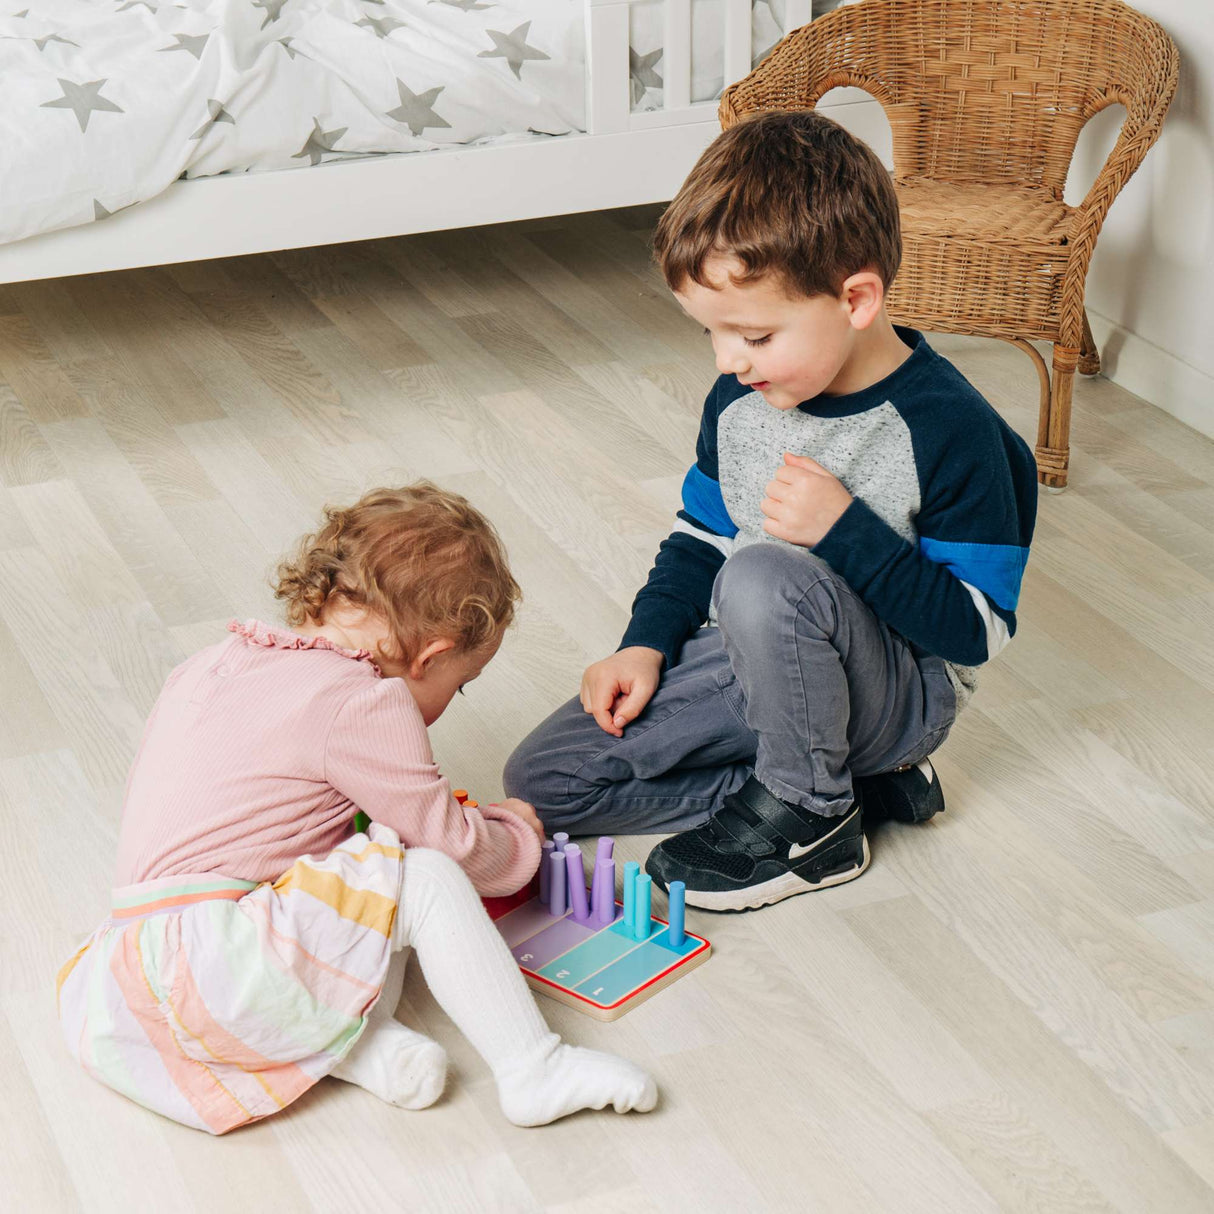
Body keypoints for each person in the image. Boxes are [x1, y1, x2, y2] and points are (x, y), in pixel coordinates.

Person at [505, 110, 1037, 912]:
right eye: (713, 334)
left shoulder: (949, 428)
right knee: (545, 782)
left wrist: (844, 531)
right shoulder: (740, 400)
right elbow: (699, 537)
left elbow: (976, 631)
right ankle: (842, 787)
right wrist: (644, 644)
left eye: (752, 335)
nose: (727, 361)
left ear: (856, 298)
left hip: (897, 694)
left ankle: (816, 821)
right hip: (762, 662)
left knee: (762, 576)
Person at [56, 484, 656, 1134]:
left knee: (363, 863)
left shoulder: (209, 663)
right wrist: (516, 836)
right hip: (221, 965)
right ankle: (535, 1068)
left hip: (139, 978)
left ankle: (361, 1050)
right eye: (461, 683)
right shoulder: (363, 701)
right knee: (418, 873)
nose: (453, 698)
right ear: (429, 655)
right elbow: (453, 846)